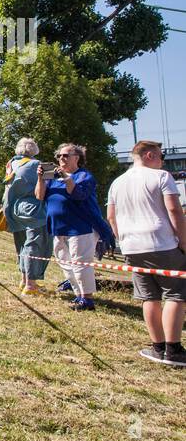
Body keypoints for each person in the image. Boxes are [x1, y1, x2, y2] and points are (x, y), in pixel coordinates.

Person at [106, 141, 186, 366]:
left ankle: (157, 346)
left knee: (148, 296)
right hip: (162, 242)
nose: (162, 160)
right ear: (149, 155)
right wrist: (183, 241)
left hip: (132, 245)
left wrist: (123, 239)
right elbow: (174, 210)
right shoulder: (161, 176)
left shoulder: (117, 183)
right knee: (175, 295)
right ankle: (174, 349)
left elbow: (111, 216)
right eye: (160, 156)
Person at [36, 144, 112, 311]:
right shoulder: (52, 178)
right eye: (59, 156)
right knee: (65, 263)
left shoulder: (84, 176)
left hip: (80, 227)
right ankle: (79, 295)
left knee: (80, 263)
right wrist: (41, 179)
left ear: (76, 157)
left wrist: (66, 177)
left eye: (65, 155)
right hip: (58, 227)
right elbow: (39, 196)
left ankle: (87, 299)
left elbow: (78, 194)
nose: (61, 159)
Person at [3, 137, 50, 295]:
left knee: (22, 244)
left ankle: (24, 279)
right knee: (34, 244)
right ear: (35, 151)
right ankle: (31, 284)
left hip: (13, 209)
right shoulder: (37, 165)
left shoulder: (12, 164)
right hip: (32, 209)